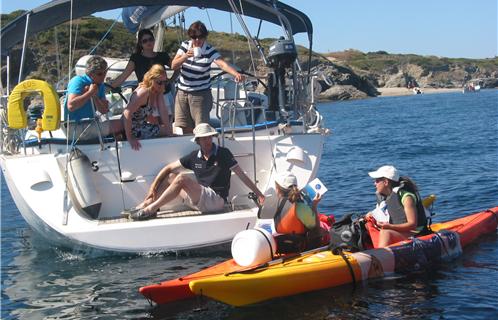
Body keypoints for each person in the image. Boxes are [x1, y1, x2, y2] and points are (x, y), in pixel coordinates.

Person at [129, 123, 265, 220]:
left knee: (182, 178)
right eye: (204, 138)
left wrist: (259, 194)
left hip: (216, 200)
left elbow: (242, 175)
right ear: (198, 141)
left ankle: (150, 210)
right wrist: (151, 190)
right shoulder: (194, 156)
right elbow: (168, 168)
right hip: (199, 200)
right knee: (171, 176)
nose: (207, 141)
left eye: (209, 137)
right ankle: (148, 203)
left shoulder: (223, 153)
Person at [171, 21, 243, 134]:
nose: (197, 40)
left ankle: (204, 149)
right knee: (183, 126)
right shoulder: (185, 46)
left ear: (205, 37)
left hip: (200, 94)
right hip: (182, 93)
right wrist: (185, 56)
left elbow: (222, 64)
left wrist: (236, 74)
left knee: (202, 128)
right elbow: (174, 65)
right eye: (194, 37)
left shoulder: (209, 50)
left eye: (200, 37)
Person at [110, 29, 176, 117]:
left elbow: (177, 67)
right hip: (146, 98)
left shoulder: (162, 56)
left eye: (150, 39)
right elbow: (124, 75)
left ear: (154, 40)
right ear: (140, 44)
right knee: (152, 125)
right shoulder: (136, 58)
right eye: (145, 41)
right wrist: (108, 87)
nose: (148, 42)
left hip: (164, 96)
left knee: (166, 123)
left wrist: (171, 80)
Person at [64, 55, 122, 141]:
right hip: (76, 127)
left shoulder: (100, 84)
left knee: (124, 121)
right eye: (99, 74)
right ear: (90, 73)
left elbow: (103, 110)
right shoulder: (78, 81)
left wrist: (95, 96)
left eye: (105, 73)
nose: (103, 76)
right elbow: (71, 106)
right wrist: (90, 93)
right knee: (123, 124)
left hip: (90, 124)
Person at [367, 165, 428, 247]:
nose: (375, 183)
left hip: (415, 233)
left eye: (377, 181)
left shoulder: (407, 197)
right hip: (399, 230)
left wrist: (390, 226)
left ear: (385, 182)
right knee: (367, 224)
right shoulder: (385, 196)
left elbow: (412, 224)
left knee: (385, 232)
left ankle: (380, 255)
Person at [273, 171, 330, 252]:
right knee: (323, 231)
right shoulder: (300, 207)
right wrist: (314, 205)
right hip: (299, 246)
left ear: (278, 189)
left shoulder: (274, 204)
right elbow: (315, 227)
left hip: (282, 245)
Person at [122, 64, 173, 150]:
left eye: (164, 82)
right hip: (134, 128)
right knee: (164, 131)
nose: (162, 85)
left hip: (142, 124)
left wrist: (169, 131)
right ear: (151, 79)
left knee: (168, 130)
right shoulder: (144, 92)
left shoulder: (157, 90)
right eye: (159, 82)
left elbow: (163, 110)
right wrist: (130, 138)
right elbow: (127, 113)